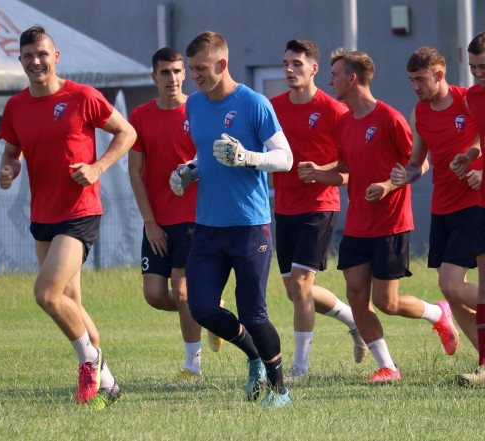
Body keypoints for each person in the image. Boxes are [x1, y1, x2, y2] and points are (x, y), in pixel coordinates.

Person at [300, 48, 460, 382]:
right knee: (356, 294)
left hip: (391, 223)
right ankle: (387, 366)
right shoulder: (343, 122)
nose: (329, 81)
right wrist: (318, 172)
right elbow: (344, 169)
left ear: (352, 78)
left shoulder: (390, 118)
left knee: (386, 301)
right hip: (358, 223)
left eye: (335, 75)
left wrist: (389, 185)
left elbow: (418, 163)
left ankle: (437, 312)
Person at [0, 25, 136, 408]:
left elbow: (127, 133)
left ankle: (89, 364)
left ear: (56, 57)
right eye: (28, 56)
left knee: (46, 293)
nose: (36, 61)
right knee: (70, 300)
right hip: (43, 213)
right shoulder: (16, 106)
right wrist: (8, 169)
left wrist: (97, 167)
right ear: (21, 61)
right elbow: (12, 153)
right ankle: (107, 382)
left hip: (80, 212)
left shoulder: (82, 97)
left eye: (42, 54)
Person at [170, 31, 293, 407]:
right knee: (202, 307)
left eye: (201, 69)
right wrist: (189, 170)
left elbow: (285, 158)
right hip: (208, 226)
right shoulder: (194, 104)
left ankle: (280, 390)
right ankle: (254, 357)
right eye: (191, 69)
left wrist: (249, 158)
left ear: (222, 64)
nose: (194, 77)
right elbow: (204, 153)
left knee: (254, 315)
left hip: (249, 225)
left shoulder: (254, 104)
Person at [270, 39, 367, 381]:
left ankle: (300, 368)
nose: (289, 69)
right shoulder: (272, 107)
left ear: (313, 68)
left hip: (319, 206)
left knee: (300, 285)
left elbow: (349, 165)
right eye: (285, 63)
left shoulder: (333, 109)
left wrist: (320, 171)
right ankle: (353, 320)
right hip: (283, 206)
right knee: (294, 291)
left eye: (297, 63)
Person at [128, 47, 224, 386]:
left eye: (178, 71)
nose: (173, 78)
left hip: (193, 218)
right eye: (165, 72)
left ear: (186, 74)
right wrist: (150, 222)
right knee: (155, 295)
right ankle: (211, 314)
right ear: (154, 77)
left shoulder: (199, 109)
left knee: (183, 293)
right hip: (158, 220)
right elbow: (135, 173)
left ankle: (192, 367)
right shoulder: (139, 116)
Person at [391, 46, 481, 354]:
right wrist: (407, 175)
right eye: (411, 80)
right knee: (451, 293)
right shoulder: (420, 113)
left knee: (451, 285)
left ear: (439, 75)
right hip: (442, 208)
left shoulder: (467, 99)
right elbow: (419, 161)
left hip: (473, 204)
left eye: (420, 79)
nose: (415, 86)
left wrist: (474, 160)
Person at [457, 32, 485, 386]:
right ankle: (483, 366)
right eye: (473, 67)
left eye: (484, 67)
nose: (478, 74)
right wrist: (471, 155)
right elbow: (481, 138)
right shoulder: (474, 97)